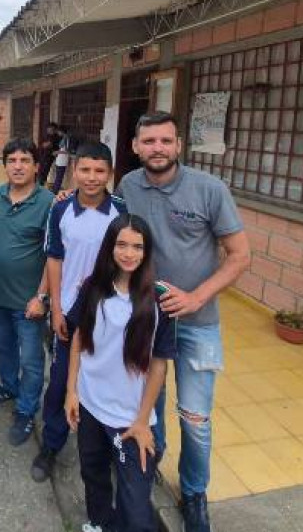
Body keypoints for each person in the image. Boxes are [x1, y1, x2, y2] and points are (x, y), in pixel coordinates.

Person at [115, 112, 249, 532]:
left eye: (165, 141)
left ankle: (194, 492)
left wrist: (196, 298)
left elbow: (240, 255)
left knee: (195, 416)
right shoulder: (127, 186)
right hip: (144, 320)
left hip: (197, 322)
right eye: (149, 141)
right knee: (146, 404)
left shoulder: (209, 190)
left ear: (179, 145)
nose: (157, 148)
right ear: (136, 146)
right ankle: (150, 460)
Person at [64, 214, 175, 532]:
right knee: (93, 475)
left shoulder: (158, 300)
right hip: (89, 405)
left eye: (137, 247)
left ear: (147, 251)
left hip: (128, 420)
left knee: (136, 511)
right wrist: (72, 391)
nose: (129, 253)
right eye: (122, 244)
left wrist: (142, 421)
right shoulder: (92, 287)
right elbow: (79, 340)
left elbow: (158, 365)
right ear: (109, 247)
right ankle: (98, 523)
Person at [32, 141, 127, 483]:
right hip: (69, 313)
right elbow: (54, 259)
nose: (91, 177)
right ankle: (51, 445)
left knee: (108, 381)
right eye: (84, 169)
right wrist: (55, 309)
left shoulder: (121, 211)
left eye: (99, 171)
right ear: (74, 170)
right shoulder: (60, 209)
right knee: (59, 384)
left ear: (110, 174)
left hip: (109, 316)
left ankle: (111, 449)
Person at [0, 138, 53, 447]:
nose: (18, 166)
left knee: (33, 361)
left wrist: (42, 298)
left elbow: (54, 256)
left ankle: (26, 410)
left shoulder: (49, 203)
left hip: (29, 304)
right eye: (12, 160)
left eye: (25, 160)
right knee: (3, 347)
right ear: (5, 165)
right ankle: (9, 386)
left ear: (37, 166)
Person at [51, 125, 71, 194]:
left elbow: (67, 151)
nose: (58, 133)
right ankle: (55, 190)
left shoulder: (67, 139)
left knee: (59, 177)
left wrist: (57, 152)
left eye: (58, 131)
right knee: (58, 176)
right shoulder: (63, 138)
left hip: (62, 160)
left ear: (61, 131)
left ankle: (55, 191)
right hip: (59, 159)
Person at [38, 122, 59, 187]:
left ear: (55, 130)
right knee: (40, 171)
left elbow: (58, 147)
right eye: (49, 129)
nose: (50, 131)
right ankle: (38, 185)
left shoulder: (56, 138)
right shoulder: (45, 136)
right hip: (42, 156)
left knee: (45, 172)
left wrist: (55, 151)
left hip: (49, 157)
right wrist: (44, 145)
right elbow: (41, 145)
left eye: (52, 129)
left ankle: (41, 185)